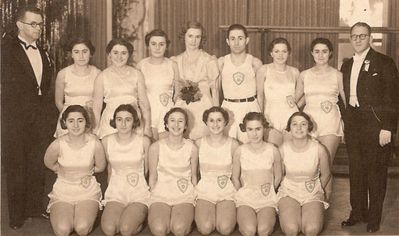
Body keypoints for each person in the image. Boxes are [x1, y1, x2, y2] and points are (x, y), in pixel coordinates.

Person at [1, 5, 58, 229]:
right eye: (32, 24)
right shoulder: (5, 49)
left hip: (39, 118)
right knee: (16, 164)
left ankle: (34, 207)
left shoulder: (43, 51)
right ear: (19, 25)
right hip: (14, 119)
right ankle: (16, 216)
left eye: (40, 24)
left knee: (36, 163)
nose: (38, 29)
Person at [340, 22, 399, 233]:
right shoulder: (346, 65)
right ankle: (357, 213)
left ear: (370, 38)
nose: (358, 39)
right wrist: (345, 119)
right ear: (350, 38)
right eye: (354, 36)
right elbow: (343, 96)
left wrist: (387, 128)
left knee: (376, 173)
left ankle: (374, 218)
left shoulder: (384, 62)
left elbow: (392, 97)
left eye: (362, 36)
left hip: (376, 125)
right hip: (354, 124)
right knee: (356, 172)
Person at [44, 105, 106, 236]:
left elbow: (100, 167)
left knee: (82, 228)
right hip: (63, 190)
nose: (76, 125)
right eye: (71, 121)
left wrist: (87, 174)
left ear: (86, 122)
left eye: (80, 120)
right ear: (64, 122)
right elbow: (48, 163)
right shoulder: (57, 144)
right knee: (63, 230)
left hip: (87, 191)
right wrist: (63, 173)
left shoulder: (95, 143)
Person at [295, 37, 346, 199]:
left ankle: (324, 203)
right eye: (317, 51)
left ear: (330, 53)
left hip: (330, 123)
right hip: (308, 124)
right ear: (312, 53)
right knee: (310, 165)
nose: (321, 55)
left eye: (324, 51)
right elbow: (295, 101)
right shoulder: (304, 75)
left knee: (325, 165)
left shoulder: (338, 75)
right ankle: (309, 199)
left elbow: (346, 102)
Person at [277, 111, 331, 236]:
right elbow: (278, 176)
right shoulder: (282, 149)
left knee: (311, 230)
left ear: (309, 127)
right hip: (289, 192)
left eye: (303, 124)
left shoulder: (319, 149)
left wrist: (316, 189)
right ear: (289, 128)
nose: (299, 128)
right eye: (294, 124)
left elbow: (326, 174)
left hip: (311, 192)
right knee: (292, 229)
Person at [101, 104, 151, 236]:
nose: (123, 124)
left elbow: (146, 170)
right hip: (116, 191)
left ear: (134, 122)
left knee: (126, 229)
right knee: (109, 229)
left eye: (128, 120)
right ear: (114, 121)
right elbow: (109, 168)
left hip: (138, 191)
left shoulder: (144, 141)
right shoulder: (106, 141)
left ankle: (139, 219)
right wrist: (110, 191)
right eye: (119, 119)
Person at [147, 107, 198, 236]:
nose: (176, 125)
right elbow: (152, 176)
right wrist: (153, 195)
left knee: (179, 229)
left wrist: (194, 196)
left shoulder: (192, 148)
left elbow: (193, 176)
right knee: (159, 229)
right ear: (166, 124)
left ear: (186, 125)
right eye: (172, 120)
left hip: (184, 193)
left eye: (180, 121)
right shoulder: (155, 147)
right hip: (161, 193)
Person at [232, 112, 282, 236]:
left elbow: (278, 176)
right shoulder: (240, 151)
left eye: (258, 129)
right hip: (246, 198)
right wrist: (242, 192)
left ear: (264, 128)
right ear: (245, 129)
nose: (254, 134)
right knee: (249, 230)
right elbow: (235, 177)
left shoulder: (273, 150)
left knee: (263, 231)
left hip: (266, 198)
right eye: (250, 129)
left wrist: (269, 190)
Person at [93, 38, 151, 139]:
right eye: (115, 52)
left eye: (123, 53)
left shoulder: (137, 74)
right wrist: (95, 129)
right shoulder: (101, 76)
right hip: (110, 122)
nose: (119, 57)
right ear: (109, 54)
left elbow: (144, 104)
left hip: (133, 121)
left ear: (129, 55)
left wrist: (147, 127)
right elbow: (96, 108)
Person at [194, 106, 239, 235]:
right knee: (205, 228)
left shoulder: (234, 144)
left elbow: (237, 175)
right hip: (204, 191)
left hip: (226, 191)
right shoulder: (198, 143)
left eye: (219, 120)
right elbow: (194, 173)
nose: (215, 124)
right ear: (206, 122)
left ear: (225, 122)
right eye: (211, 120)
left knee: (225, 228)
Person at [172, 21, 219, 140]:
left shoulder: (209, 60)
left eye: (197, 37)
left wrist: (216, 113)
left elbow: (215, 90)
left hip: (203, 106)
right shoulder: (175, 61)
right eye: (190, 36)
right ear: (184, 37)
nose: (193, 41)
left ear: (201, 38)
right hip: (182, 107)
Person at [219, 24, 263, 144]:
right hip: (228, 107)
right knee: (228, 145)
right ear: (227, 41)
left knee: (251, 145)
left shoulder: (255, 62)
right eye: (232, 39)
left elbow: (260, 94)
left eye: (240, 38)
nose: (236, 42)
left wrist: (261, 116)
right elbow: (216, 91)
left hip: (250, 106)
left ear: (247, 40)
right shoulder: (222, 62)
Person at [256, 38, 300, 146]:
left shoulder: (295, 72)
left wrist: (296, 105)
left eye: (284, 51)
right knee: (273, 153)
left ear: (288, 53)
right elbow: (260, 96)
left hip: (290, 116)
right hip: (271, 116)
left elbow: (303, 94)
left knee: (290, 154)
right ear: (271, 53)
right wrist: (262, 118)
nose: (280, 55)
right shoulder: (264, 70)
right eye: (277, 51)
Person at [137, 29, 180, 140]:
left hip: (166, 110)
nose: (157, 48)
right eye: (153, 44)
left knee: (165, 148)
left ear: (166, 46)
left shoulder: (172, 65)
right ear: (148, 46)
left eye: (161, 44)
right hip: (147, 112)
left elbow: (177, 93)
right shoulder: (141, 65)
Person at [54, 37, 100, 137]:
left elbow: (99, 102)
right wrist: (69, 117)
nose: (81, 56)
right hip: (69, 120)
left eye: (85, 51)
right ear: (71, 54)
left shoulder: (97, 73)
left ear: (91, 53)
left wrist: (90, 118)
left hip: (90, 119)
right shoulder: (63, 74)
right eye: (76, 52)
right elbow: (58, 102)